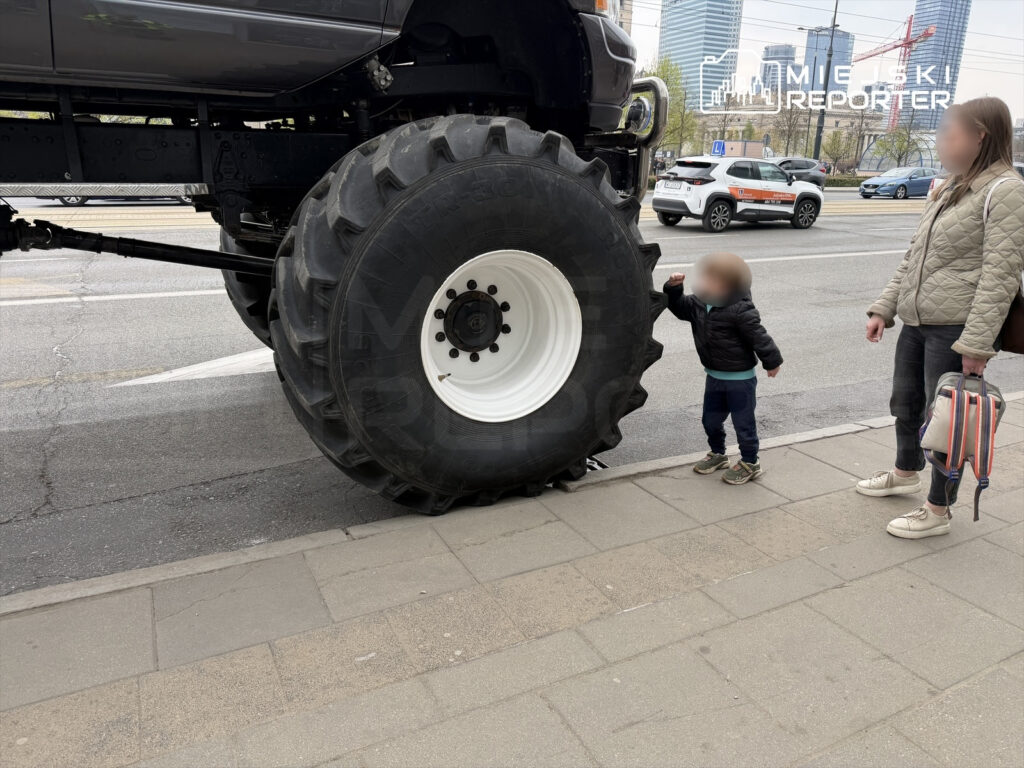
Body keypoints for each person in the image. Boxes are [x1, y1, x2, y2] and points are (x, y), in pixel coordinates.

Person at [859, 96, 1024, 539]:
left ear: (979, 136)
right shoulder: (948, 186)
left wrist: (976, 346)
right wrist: (884, 307)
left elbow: (1000, 276)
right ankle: (904, 470)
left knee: (947, 422)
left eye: (949, 133)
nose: (940, 141)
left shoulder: (1004, 190)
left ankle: (938, 509)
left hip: (955, 328)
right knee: (906, 404)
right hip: (916, 320)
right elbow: (915, 257)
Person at [663, 252, 783, 485]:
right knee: (710, 420)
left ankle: (750, 462)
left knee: (743, 423)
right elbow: (677, 307)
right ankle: (718, 454)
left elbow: (759, 337)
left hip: (740, 379)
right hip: (714, 376)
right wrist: (673, 288)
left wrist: (772, 361)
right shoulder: (698, 303)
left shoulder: (740, 309)